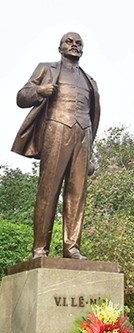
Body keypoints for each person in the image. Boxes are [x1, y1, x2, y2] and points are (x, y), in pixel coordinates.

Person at [12, 32, 100, 259]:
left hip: (84, 134)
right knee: (48, 190)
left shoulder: (90, 80)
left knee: (77, 194)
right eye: (69, 42)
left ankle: (72, 247)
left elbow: (93, 115)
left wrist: (90, 153)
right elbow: (22, 97)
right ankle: (40, 249)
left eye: (79, 43)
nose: (74, 46)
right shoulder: (46, 69)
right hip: (56, 129)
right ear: (60, 47)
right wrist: (39, 91)